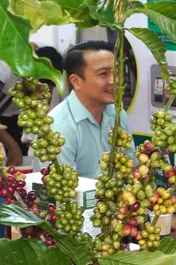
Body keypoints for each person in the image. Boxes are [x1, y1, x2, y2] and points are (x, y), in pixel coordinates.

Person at [49, 40, 132, 179]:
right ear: (76, 81)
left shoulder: (117, 114)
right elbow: (62, 191)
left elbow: (129, 166)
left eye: (117, 71)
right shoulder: (59, 127)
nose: (114, 80)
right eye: (103, 73)